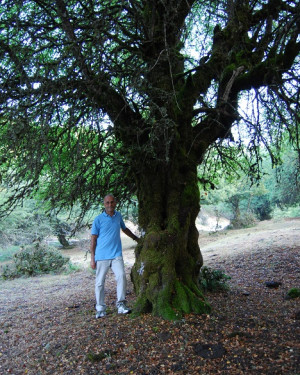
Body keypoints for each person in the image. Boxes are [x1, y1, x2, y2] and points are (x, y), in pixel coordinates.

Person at [90, 194, 139, 318]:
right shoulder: (98, 219)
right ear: (104, 204)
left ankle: (121, 305)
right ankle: (100, 309)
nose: (110, 205)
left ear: (115, 203)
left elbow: (124, 228)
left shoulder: (118, 216)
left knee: (121, 276)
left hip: (116, 254)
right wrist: (92, 258)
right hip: (101, 256)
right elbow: (93, 240)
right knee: (100, 283)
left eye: (112, 202)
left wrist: (136, 238)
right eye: (107, 203)